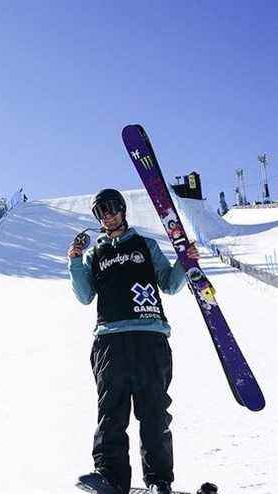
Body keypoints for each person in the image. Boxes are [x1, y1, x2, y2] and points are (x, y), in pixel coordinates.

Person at [68, 189, 199, 494]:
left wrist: (186, 262)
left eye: (112, 208)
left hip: (149, 335)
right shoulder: (95, 253)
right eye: (101, 212)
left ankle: (158, 480)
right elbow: (84, 295)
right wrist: (75, 261)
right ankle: (110, 477)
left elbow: (169, 283)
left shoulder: (145, 245)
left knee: (153, 411)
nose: (108, 215)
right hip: (110, 339)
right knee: (111, 411)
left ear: (123, 210)